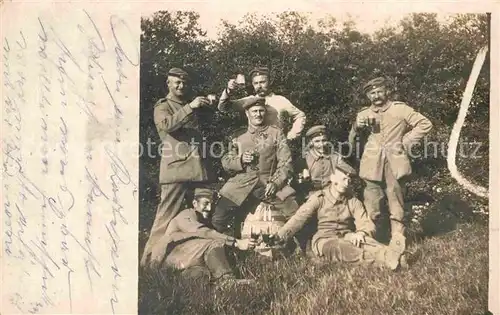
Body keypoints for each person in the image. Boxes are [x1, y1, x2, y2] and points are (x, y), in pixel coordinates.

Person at [348, 76, 433, 250]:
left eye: (379, 91)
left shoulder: (400, 109)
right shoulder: (363, 114)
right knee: (372, 204)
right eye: (372, 93)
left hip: (395, 163)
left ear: (387, 92)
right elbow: (352, 142)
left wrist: (405, 141)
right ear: (368, 96)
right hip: (371, 165)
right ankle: (372, 240)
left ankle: (397, 240)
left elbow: (425, 124)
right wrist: (356, 127)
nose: (376, 96)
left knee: (396, 202)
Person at [274, 161, 407, 270]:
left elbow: (366, 223)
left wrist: (361, 233)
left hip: (347, 235)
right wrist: (280, 236)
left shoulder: (352, 201)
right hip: (325, 240)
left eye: (349, 180)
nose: (347, 182)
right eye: (343, 178)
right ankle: (385, 261)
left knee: (366, 242)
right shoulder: (319, 198)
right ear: (333, 179)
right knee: (343, 248)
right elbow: (298, 218)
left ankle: (392, 255)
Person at [141, 67, 214, 266]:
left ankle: (203, 257)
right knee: (165, 219)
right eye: (177, 82)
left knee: (202, 214)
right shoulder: (163, 106)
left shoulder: (187, 105)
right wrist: (191, 107)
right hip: (176, 172)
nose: (181, 86)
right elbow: (166, 126)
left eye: (184, 83)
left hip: (197, 170)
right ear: (169, 84)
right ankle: (148, 263)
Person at [211, 97, 299, 235]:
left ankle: (304, 248)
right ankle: (228, 248)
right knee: (218, 217)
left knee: (295, 212)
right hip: (241, 184)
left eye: (261, 111)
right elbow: (226, 161)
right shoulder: (238, 136)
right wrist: (240, 160)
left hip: (268, 183)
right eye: (254, 111)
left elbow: (286, 162)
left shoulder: (276, 133)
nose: (258, 114)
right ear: (247, 113)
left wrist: (275, 183)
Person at [154, 188, 256, 285]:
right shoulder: (186, 214)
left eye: (212, 204)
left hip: (183, 260)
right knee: (214, 243)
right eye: (205, 203)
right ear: (195, 203)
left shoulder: (202, 219)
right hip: (169, 256)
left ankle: (185, 280)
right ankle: (227, 280)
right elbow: (203, 232)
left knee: (202, 273)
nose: (209, 208)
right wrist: (236, 242)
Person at [218, 66, 306, 140]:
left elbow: (300, 116)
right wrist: (229, 90)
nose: (259, 86)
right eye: (256, 83)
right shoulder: (249, 101)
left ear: (269, 82)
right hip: (255, 146)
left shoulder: (280, 100)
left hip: (276, 146)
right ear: (252, 84)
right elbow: (224, 107)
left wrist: (291, 136)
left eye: (262, 82)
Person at [296, 125, 344, 201]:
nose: (321, 144)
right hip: (312, 196)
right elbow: (299, 185)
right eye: (317, 141)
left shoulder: (335, 157)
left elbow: (349, 172)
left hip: (332, 194)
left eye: (324, 140)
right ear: (311, 142)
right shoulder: (304, 159)